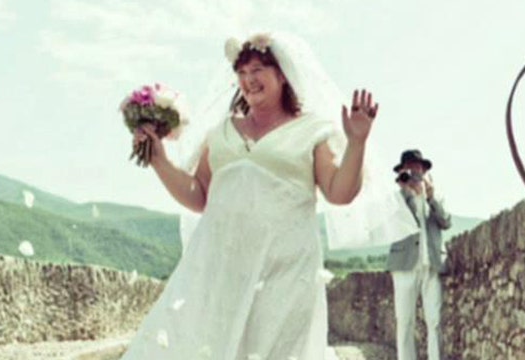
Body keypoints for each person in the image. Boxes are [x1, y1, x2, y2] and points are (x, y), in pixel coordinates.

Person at [120, 32, 378, 360]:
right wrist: (158, 160)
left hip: (286, 270)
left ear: (282, 75)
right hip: (224, 267)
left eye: (257, 70)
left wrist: (356, 142)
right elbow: (199, 196)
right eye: (241, 73)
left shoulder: (311, 130)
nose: (248, 80)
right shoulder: (222, 132)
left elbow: (339, 192)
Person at [386, 149, 452, 360]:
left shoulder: (434, 197)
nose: (414, 172)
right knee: (405, 321)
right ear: (402, 171)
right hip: (404, 266)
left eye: (417, 167)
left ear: (424, 170)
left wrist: (431, 197)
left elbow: (446, 222)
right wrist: (407, 192)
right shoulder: (396, 199)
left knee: (435, 321)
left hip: (431, 265)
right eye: (410, 168)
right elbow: (393, 223)